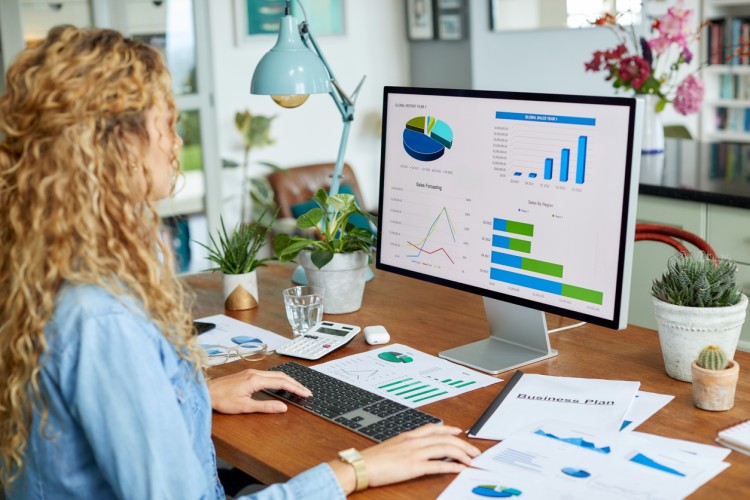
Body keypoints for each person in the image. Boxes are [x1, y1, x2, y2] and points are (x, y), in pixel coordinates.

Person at [0, 26, 480, 499]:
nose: (174, 141)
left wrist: (192, 396)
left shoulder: (50, 270)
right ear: (119, 147)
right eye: (165, 123)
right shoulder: (101, 315)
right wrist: (356, 468)